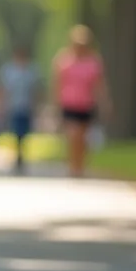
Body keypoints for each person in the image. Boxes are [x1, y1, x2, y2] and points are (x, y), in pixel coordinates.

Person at [50, 25, 109, 178]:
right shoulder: (63, 60)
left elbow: (99, 84)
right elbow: (57, 83)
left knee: (83, 137)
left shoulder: (93, 62)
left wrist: (105, 102)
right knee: (73, 134)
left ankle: (80, 164)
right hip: (68, 102)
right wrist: (55, 103)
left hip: (86, 103)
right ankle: (73, 165)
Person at [0, 47, 41, 174]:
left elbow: (35, 89)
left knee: (24, 132)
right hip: (13, 106)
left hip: (26, 106)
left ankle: (21, 153)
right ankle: (17, 154)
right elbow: (3, 88)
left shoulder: (31, 71)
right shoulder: (9, 71)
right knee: (16, 131)